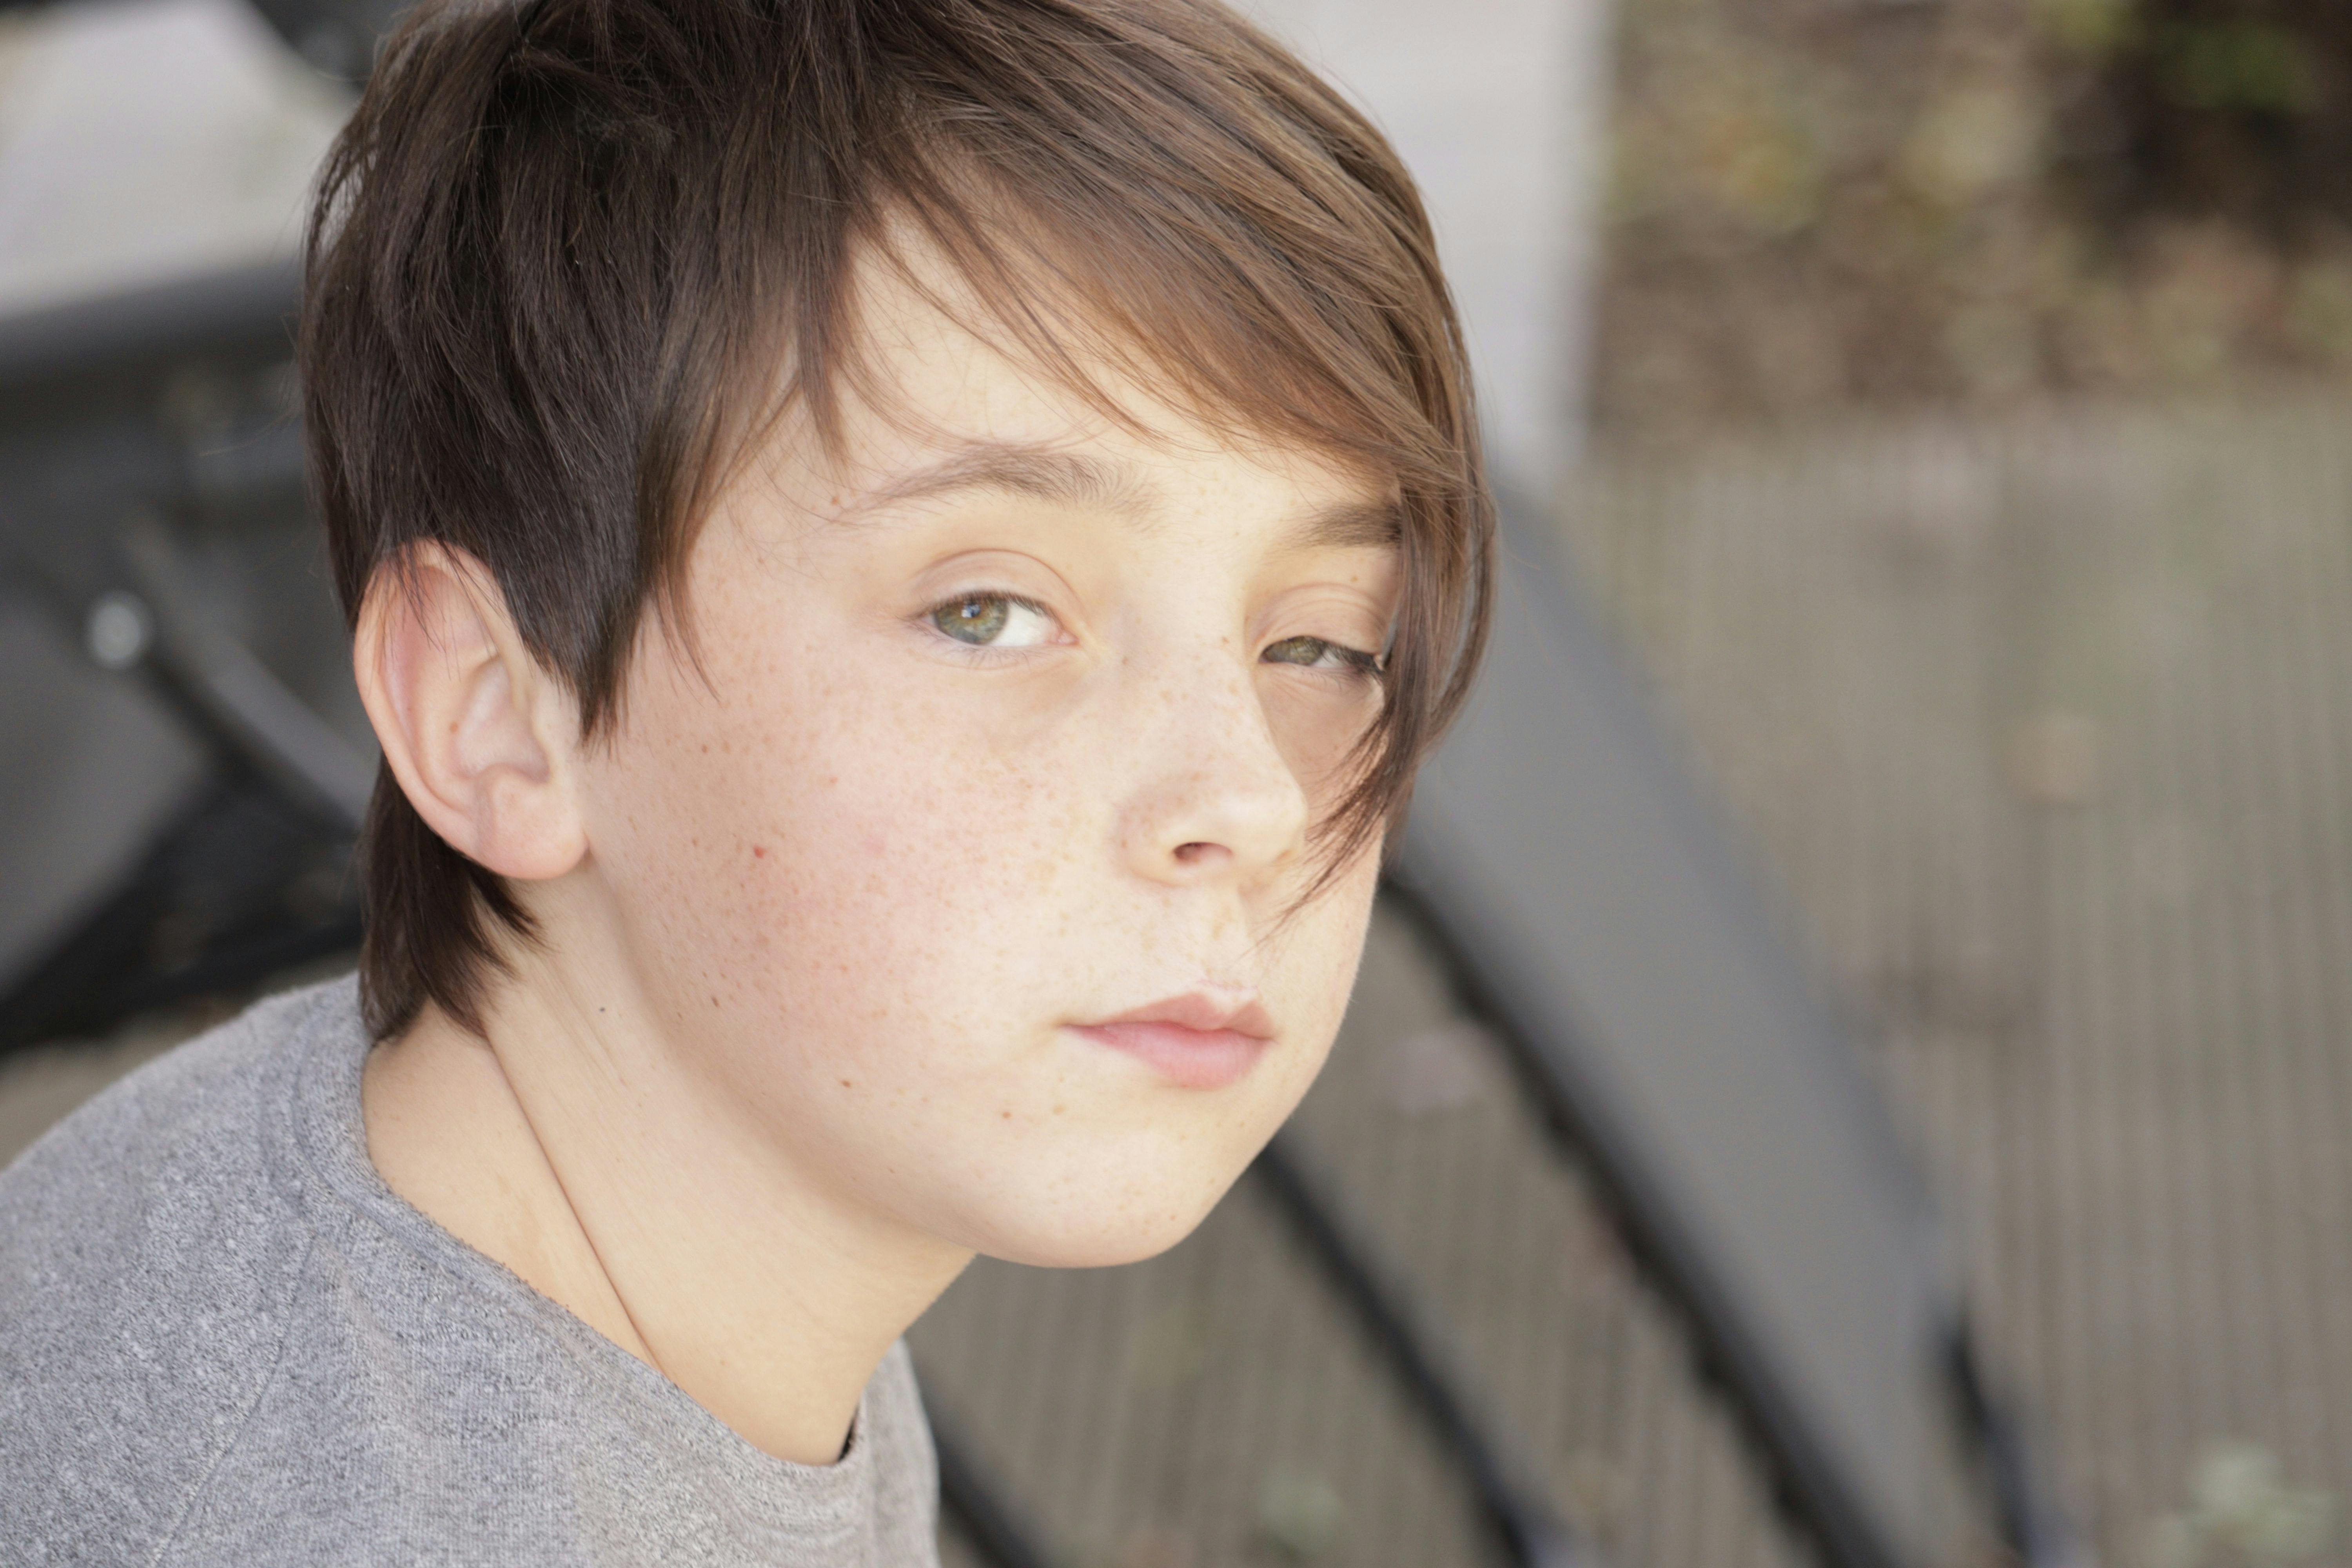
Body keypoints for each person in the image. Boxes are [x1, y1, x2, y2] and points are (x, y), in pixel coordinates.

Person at [0, 0, 1492, 1558]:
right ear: (496, 713)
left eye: (1324, 644)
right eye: (985, 611)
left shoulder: (586, 1267)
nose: (1247, 799)